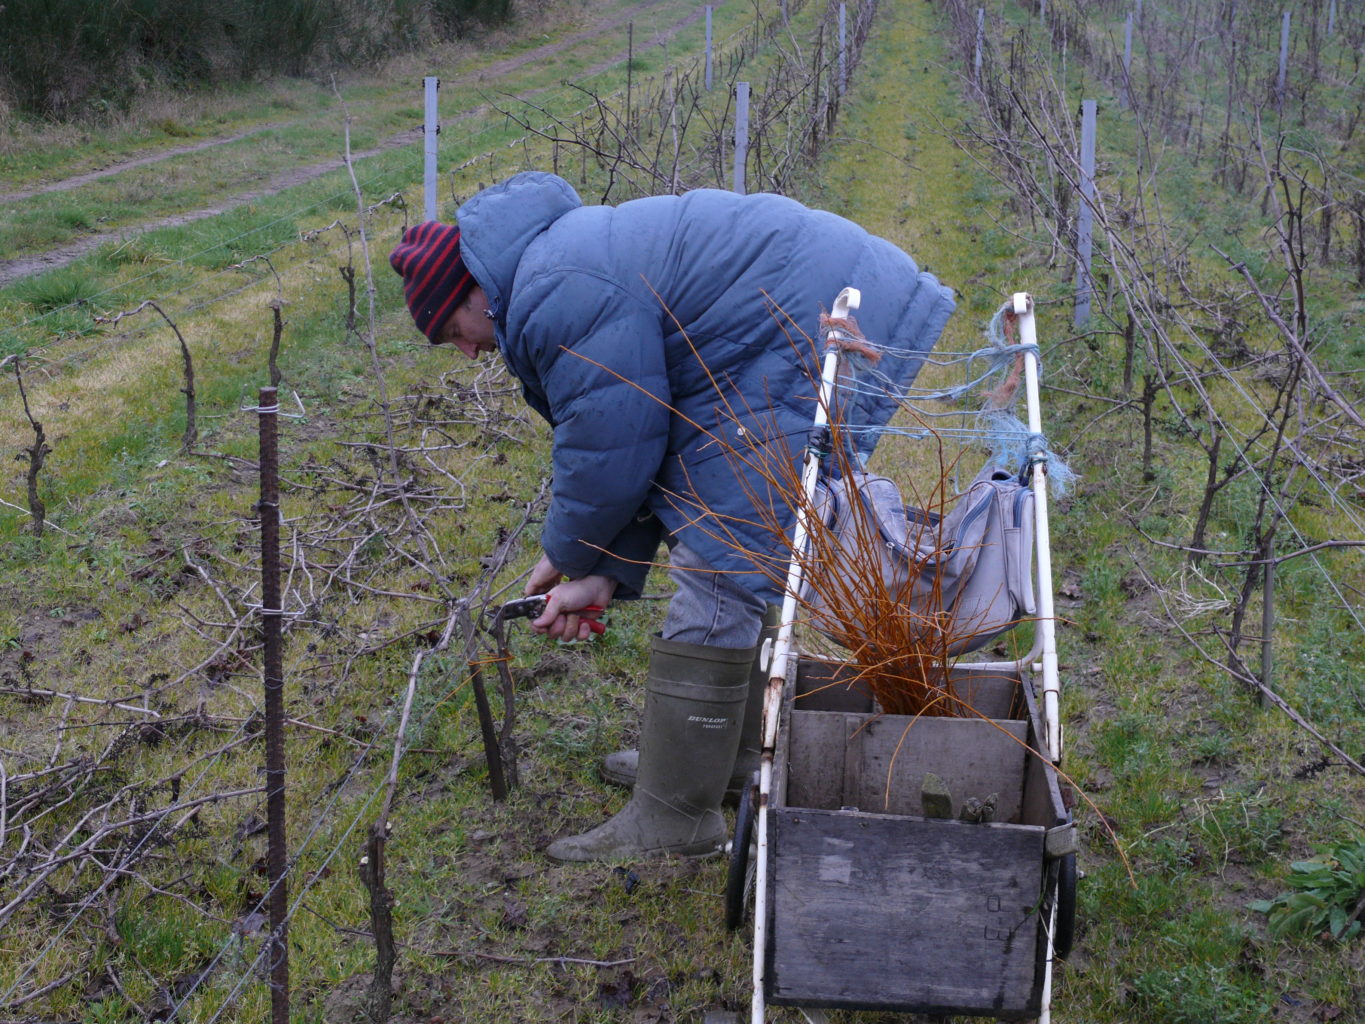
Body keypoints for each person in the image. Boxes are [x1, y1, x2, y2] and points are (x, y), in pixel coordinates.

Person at [390, 172, 954, 862]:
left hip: (807, 326)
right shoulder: (551, 266)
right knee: (729, 540)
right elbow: (646, 441)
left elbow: (609, 448)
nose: (468, 351)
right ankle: (728, 761)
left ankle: (675, 814)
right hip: (804, 312)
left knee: (720, 558)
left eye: (454, 332)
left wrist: (568, 554)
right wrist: (600, 571)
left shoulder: (548, 291)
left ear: (474, 291)